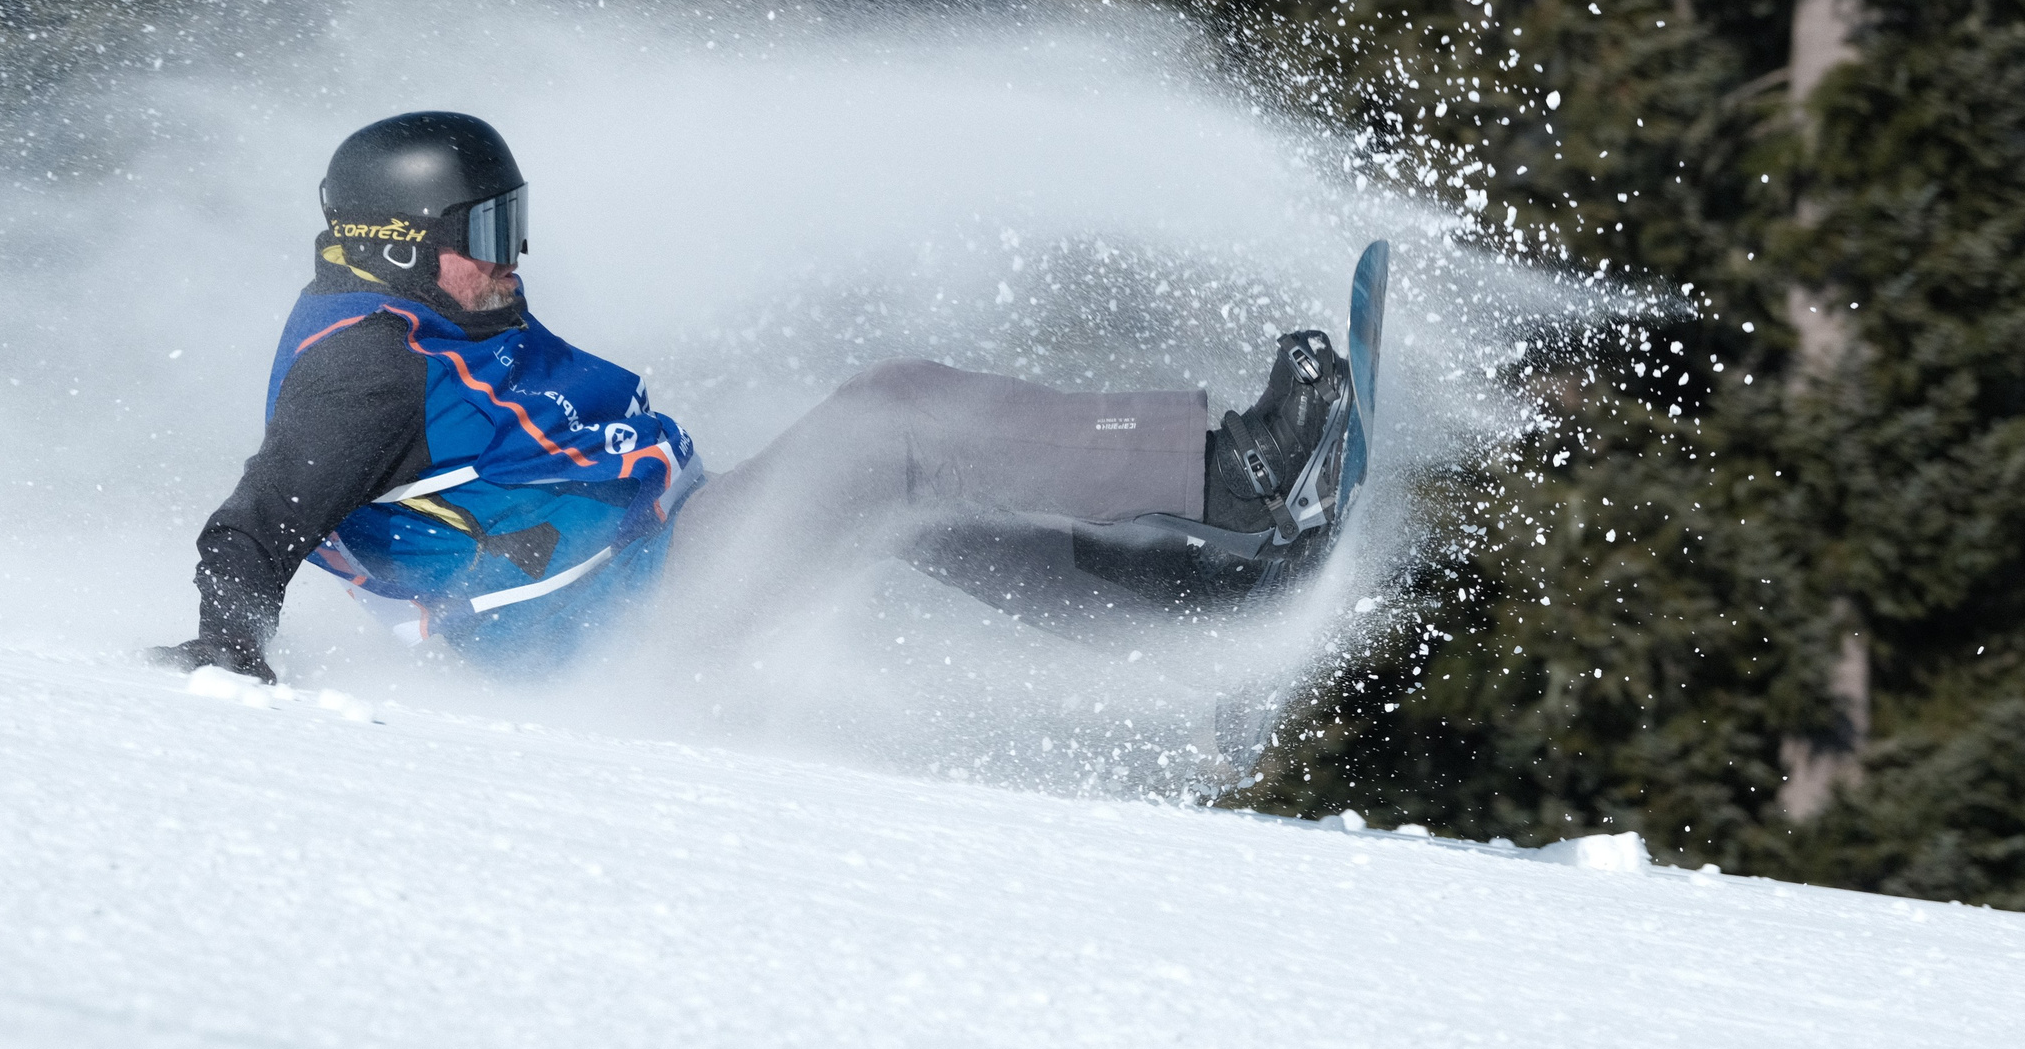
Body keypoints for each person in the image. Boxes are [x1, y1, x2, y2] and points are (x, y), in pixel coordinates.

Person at [154, 112, 1353, 683]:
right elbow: (257, 521)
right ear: (401, 244)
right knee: (892, 424)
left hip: (644, 567)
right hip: (613, 622)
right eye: (486, 230)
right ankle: (1239, 474)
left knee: (910, 509)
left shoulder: (433, 314)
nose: (514, 255)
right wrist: (228, 649)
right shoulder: (363, 370)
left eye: (515, 221)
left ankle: (1207, 614)